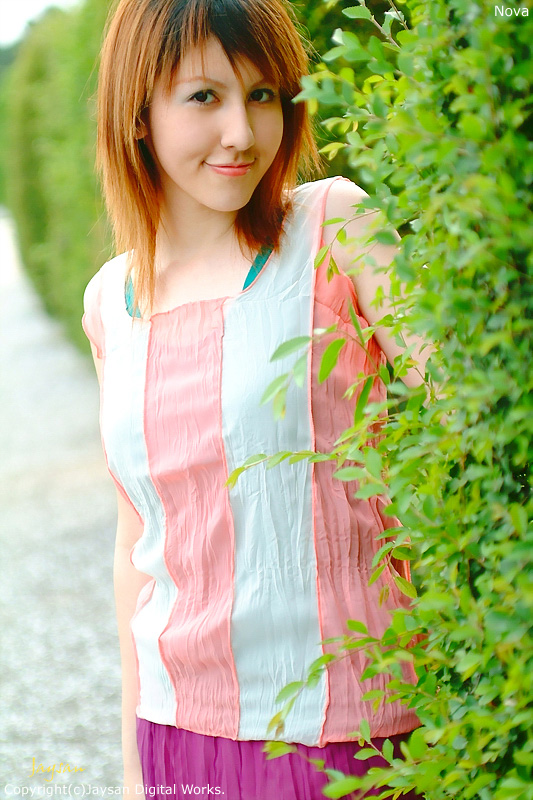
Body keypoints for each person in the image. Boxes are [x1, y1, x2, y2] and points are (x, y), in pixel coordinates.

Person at [82, 0, 430, 797]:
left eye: (263, 94)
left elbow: (469, 415)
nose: (241, 132)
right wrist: (132, 764)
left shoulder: (333, 227)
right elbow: (139, 541)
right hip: (176, 732)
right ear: (137, 113)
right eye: (204, 97)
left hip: (344, 731)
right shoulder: (110, 302)